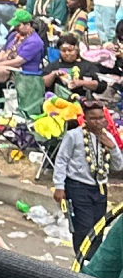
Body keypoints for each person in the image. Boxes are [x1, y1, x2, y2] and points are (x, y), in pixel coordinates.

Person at [54, 100, 123, 254]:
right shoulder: (74, 136)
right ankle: (82, 264)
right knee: (83, 229)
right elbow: (61, 160)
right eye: (93, 118)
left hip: (100, 189)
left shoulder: (108, 137)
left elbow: (118, 166)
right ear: (85, 119)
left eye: (100, 118)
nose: (98, 122)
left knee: (98, 229)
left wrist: (112, 148)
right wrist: (59, 186)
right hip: (78, 187)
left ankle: (93, 265)